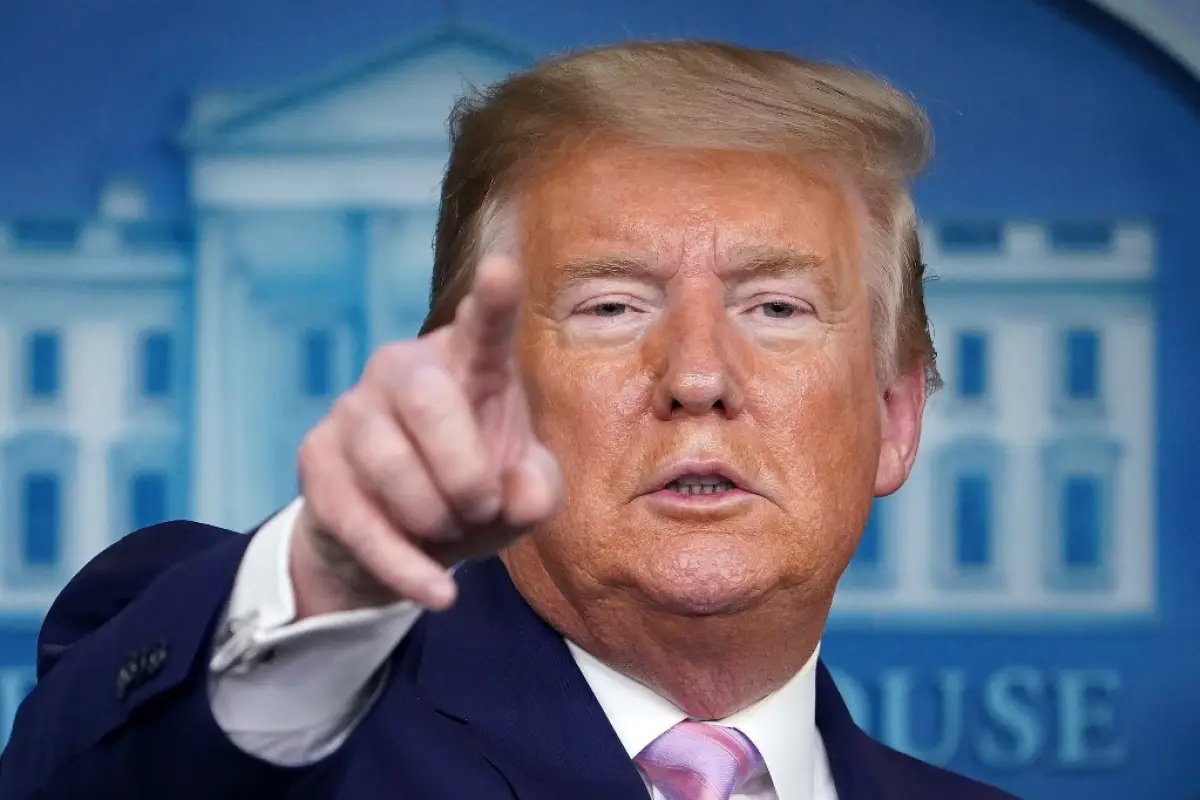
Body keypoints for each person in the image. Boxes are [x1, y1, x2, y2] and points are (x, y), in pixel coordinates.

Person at [0, 41, 1016, 800]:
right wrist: (328, 577)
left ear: (894, 416)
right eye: (613, 305)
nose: (699, 374)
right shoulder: (290, 747)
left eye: (778, 309)